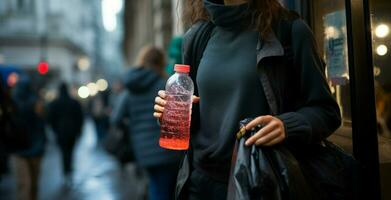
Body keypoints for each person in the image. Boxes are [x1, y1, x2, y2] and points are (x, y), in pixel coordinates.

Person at [153, 0, 342, 199]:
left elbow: (327, 111)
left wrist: (287, 126)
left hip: (263, 183)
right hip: (201, 184)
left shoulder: (290, 30)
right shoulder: (197, 36)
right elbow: (197, 116)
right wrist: (171, 113)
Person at [112, 46, 183, 200]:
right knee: (166, 190)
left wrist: (132, 127)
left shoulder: (130, 89)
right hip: (167, 150)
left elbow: (116, 118)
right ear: (161, 62)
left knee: (156, 186)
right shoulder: (167, 84)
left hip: (142, 149)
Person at [11, 77, 46, 200]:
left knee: (24, 186)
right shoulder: (36, 103)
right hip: (34, 148)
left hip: (18, 149)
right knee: (32, 186)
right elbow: (42, 124)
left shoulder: (12, 104)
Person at [47, 83, 84, 185]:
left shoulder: (55, 103)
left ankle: (66, 171)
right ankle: (69, 170)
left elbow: (50, 118)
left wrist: (55, 129)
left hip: (60, 132)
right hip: (72, 132)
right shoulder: (74, 102)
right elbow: (80, 117)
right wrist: (79, 130)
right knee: (70, 152)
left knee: (64, 152)